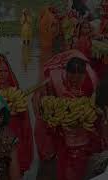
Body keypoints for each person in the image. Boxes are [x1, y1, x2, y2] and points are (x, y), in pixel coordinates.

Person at [32, 51, 100, 180]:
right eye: (71, 77)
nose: (75, 81)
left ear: (84, 76)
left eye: (78, 78)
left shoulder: (91, 81)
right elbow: (40, 101)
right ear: (66, 73)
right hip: (61, 130)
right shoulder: (54, 78)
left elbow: (95, 106)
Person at [0, 55, 34, 176]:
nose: (2, 74)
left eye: (5, 71)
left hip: (14, 137)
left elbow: (24, 121)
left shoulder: (15, 92)